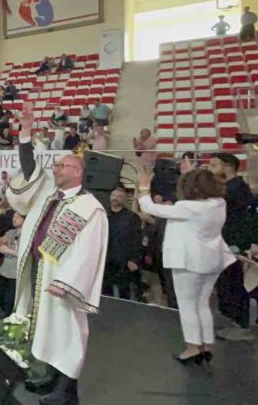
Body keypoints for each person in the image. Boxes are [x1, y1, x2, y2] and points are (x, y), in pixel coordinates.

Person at [7, 101, 108, 405]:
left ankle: (66, 394)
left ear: (77, 171)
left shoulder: (90, 208)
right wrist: (25, 132)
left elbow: (88, 253)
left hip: (63, 282)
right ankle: (50, 378)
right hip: (40, 271)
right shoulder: (49, 193)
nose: (55, 168)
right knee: (46, 327)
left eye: (61, 165)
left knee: (68, 334)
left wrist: (67, 283)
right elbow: (29, 168)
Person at [137, 167, 235, 365]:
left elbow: (151, 209)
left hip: (189, 262)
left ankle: (192, 348)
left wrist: (144, 188)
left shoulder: (189, 208)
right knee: (202, 304)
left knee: (188, 305)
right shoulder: (219, 203)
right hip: (213, 259)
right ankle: (206, 346)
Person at [206, 153, 258, 342]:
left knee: (233, 284)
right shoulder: (227, 188)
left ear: (227, 167)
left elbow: (248, 220)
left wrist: (249, 244)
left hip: (233, 245)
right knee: (225, 284)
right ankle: (232, 320)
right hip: (224, 243)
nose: (209, 168)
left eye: (213, 165)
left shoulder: (237, 189)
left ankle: (241, 325)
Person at [103, 187, 143, 301]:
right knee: (105, 292)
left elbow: (136, 239)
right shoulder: (102, 215)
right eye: (113, 196)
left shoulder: (132, 218)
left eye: (119, 196)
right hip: (105, 260)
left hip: (123, 261)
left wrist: (133, 260)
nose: (115, 199)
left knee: (124, 292)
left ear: (125, 200)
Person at [0, 212, 24, 318]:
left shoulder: (28, 235)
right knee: (0, 299)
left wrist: (8, 250)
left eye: (18, 217)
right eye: (14, 217)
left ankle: (6, 326)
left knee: (9, 303)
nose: (14, 219)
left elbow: (26, 254)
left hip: (16, 276)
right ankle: (0, 321)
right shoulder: (11, 232)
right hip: (4, 272)